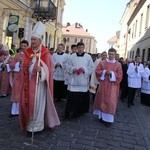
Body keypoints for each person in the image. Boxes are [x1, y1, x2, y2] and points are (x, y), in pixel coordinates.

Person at [19, 21, 60, 135]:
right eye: (31, 40)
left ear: (40, 40)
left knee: (37, 106)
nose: (32, 42)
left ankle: (36, 127)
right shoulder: (28, 52)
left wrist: (41, 70)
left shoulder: (46, 54)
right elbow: (24, 67)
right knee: (26, 103)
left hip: (39, 86)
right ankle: (28, 124)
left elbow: (50, 71)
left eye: (34, 40)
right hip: (28, 84)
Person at [93, 48, 122, 127]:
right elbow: (97, 71)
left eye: (113, 54)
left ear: (115, 55)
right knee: (102, 100)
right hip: (103, 85)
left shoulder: (118, 65)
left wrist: (112, 73)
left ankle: (108, 119)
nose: (111, 56)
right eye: (110, 54)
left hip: (113, 86)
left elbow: (120, 76)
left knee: (110, 102)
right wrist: (104, 72)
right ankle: (101, 117)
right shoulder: (102, 63)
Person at [64, 42, 94, 119]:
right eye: (79, 47)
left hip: (83, 81)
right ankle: (69, 112)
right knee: (71, 98)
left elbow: (91, 68)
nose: (80, 49)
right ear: (77, 48)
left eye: (82, 47)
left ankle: (78, 112)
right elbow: (67, 65)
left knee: (80, 98)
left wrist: (84, 69)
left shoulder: (88, 57)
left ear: (84, 48)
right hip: (73, 81)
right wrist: (72, 69)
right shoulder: (72, 56)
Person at [9, 40, 29, 117]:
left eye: (25, 46)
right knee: (16, 92)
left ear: (27, 46)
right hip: (17, 76)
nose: (23, 47)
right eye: (22, 46)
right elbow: (12, 63)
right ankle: (14, 111)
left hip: (25, 77)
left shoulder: (29, 55)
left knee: (23, 93)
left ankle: (22, 110)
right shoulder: (17, 55)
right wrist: (18, 64)